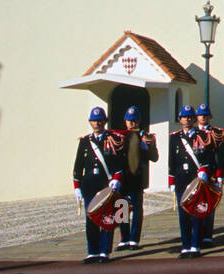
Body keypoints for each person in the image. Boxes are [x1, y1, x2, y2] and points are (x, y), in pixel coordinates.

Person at [72, 106, 123, 264]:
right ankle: (92, 251)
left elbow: (119, 163)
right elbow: (78, 166)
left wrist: (116, 178)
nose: (97, 123)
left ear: (105, 121)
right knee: (91, 220)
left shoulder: (113, 139)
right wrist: (77, 187)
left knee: (106, 218)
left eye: (100, 120)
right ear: (90, 122)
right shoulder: (85, 142)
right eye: (94, 121)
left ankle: (104, 251)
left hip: (105, 185)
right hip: (89, 186)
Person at [167, 104, 215, 258]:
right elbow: (172, 160)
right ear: (180, 119)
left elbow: (208, 157)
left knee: (197, 213)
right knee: (183, 215)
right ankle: (185, 245)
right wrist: (171, 180)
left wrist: (204, 171)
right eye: (184, 117)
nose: (187, 120)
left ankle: (195, 245)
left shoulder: (202, 135)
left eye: (189, 117)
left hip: (196, 180)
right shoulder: (174, 138)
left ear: (194, 119)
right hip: (181, 180)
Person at [117, 105, 158, 250]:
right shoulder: (119, 136)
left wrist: (148, 147)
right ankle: (124, 238)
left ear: (139, 121)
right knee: (121, 208)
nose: (132, 123)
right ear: (125, 121)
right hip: (123, 179)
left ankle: (134, 239)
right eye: (130, 120)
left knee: (137, 210)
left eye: (135, 120)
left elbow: (154, 158)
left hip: (137, 179)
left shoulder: (146, 136)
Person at [195, 103, 224, 246]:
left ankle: (207, 234)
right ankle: (196, 233)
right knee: (194, 204)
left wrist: (220, 174)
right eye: (201, 115)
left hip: (211, 173)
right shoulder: (192, 133)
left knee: (208, 204)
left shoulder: (215, 133)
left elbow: (220, 155)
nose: (203, 118)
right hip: (194, 174)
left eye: (205, 115)